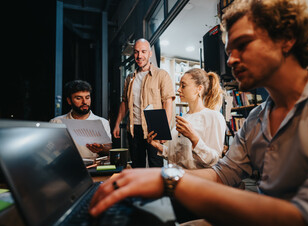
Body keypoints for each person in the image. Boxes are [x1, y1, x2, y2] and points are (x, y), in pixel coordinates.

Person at [89, 0, 308, 226]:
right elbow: (222, 173)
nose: (231, 59)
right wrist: (151, 176)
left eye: (243, 44)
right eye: (229, 50)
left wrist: (168, 181)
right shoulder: (255, 119)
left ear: (287, 39)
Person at [113, 38, 175, 168]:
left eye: (143, 51)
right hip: (134, 129)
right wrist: (117, 123)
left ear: (150, 53)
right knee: (137, 166)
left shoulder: (162, 75)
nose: (139, 56)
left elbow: (167, 102)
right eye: (136, 52)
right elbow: (124, 102)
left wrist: (164, 130)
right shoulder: (130, 78)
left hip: (154, 129)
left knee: (156, 166)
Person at [147, 68, 226, 169]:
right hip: (179, 178)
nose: (179, 90)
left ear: (199, 89)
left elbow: (215, 160)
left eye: (183, 86)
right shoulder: (183, 118)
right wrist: (158, 146)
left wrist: (194, 138)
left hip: (198, 181)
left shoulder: (214, 117)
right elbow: (179, 157)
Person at [50, 80, 112, 158]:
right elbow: (48, 149)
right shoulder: (56, 122)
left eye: (87, 97)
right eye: (78, 98)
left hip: (93, 166)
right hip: (65, 166)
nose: (84, 102)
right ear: (69, 101)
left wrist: (101, 149)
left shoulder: (102, 122)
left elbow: (108, 148)